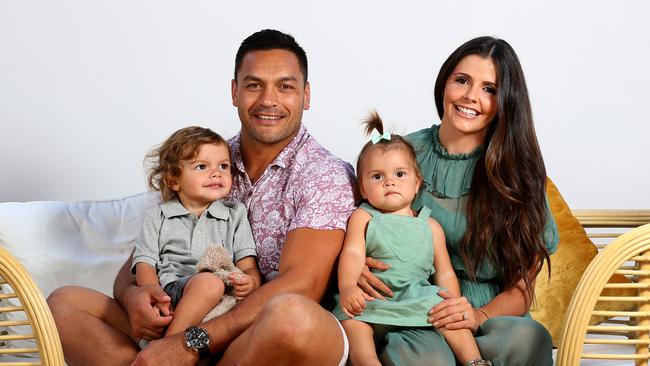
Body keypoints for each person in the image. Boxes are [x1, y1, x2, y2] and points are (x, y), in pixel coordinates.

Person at [47, 29, 357, 366]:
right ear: (235, 91)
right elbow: (142, 258)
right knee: (64, 305)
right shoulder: (205, 161)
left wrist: (189, 343)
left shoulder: (324, 174)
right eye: (254, 85)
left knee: (292, 317)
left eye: (285, 86)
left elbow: (302, 284)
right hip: (189, 319)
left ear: (306, 95)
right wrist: (133, 295)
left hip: (264, 335)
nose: (269, 99)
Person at [358, 36, 559, 366]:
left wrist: (477, 315)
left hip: (490, 315)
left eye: (489, 89)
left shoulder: (519, 173)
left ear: (505, 101)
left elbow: (524, 286)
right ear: (444, 84)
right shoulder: (398, 154)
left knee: (529, 338)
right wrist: (357, 263)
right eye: (462, 81)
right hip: (414, 309)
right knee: (426, 360)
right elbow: (360, 221)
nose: (471, 97)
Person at [333, 112, 489, 366]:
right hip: (372, 298)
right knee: (352, 322)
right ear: (362, 188)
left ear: (417, 182)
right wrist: (348, 286)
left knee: (446, 314)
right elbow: (352, 253)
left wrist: (453, 301)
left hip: (415, 295)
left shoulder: (429, 225)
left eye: (400, 174)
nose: (389, 182)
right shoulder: (363, 216)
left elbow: (445, 272)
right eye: (377, 177)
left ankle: (475, 361)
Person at [133, 126, 261, 339]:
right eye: (202, 166)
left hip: (222, 294)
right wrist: (153, 294)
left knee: (215, 285)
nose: (216, 173)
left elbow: (248, 266)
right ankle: (169, 345)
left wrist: (251, 282)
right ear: (173, 180)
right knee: (209, 283)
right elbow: (144, 263)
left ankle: (166, 347)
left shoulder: (235, 214)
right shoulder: (158, 216)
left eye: (223, 166)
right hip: (174, 290)